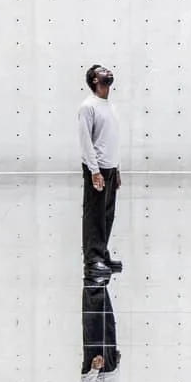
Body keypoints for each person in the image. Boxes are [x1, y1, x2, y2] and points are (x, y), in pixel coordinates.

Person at [78, 65, 123, 276]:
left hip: (110, 168)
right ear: (94, 80)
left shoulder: (110, 106)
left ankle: (102, 253)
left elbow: (111, 139)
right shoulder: (88, 107)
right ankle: (92, 259)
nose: (108, 72)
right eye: (102, 71)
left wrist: (117, 168)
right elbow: (86, 141)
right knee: (94, 215)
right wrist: (94, 171)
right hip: (96, 169)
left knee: (107, 215)